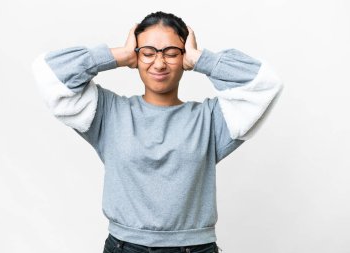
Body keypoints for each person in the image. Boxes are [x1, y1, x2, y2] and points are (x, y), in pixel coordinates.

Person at [31, 11, 283, 253]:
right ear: (136, 57)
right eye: (148, 53)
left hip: (194, 248)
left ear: (184, 57)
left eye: (172, 53)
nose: (160, 63)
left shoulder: (211, 119)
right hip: (123, 247)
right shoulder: (108, 113)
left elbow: (265, 84)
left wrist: (201, 59)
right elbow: (49, 73)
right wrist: (118, 55)